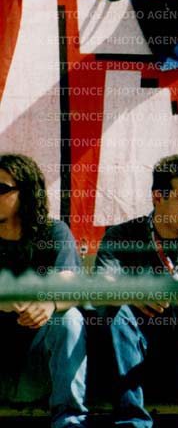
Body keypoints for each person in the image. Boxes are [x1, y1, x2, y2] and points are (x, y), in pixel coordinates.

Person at [94, 154, 178, 428]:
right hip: (134, 357)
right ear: (158, 197)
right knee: (116, 312)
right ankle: (132, 424)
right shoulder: (121, 235)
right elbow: (100, 288)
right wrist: (134, 292)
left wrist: (175, 293)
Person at [0, 154, 87, 428]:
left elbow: (71, 283)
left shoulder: (53, 232)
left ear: (26, 192)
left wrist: (49, 303)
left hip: (39, 368)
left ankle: (69, 422)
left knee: (69, 319)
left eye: (1, 189)